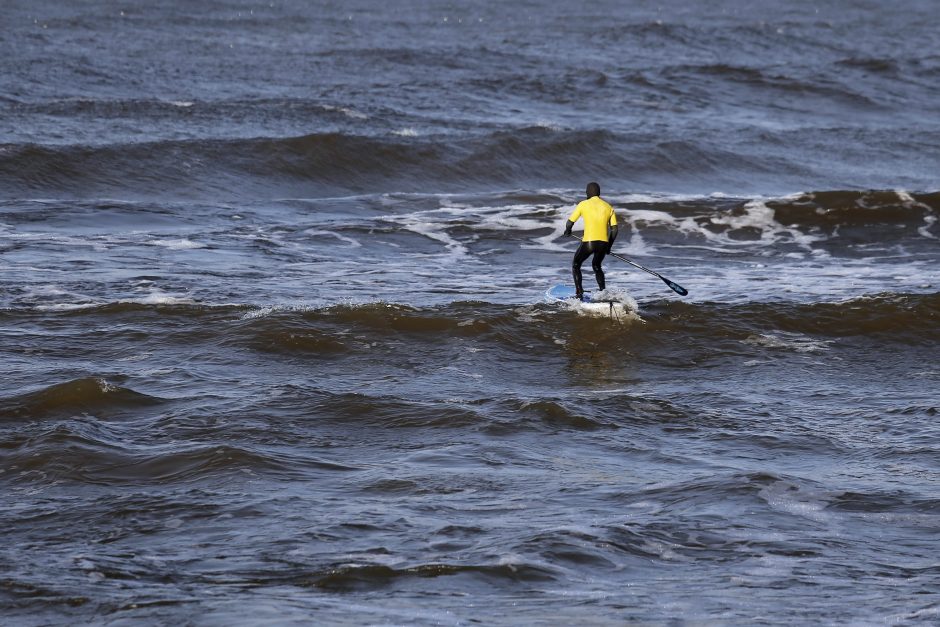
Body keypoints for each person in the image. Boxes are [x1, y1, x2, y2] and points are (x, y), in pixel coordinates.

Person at [563, 182, 618, 300]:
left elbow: (570, 222)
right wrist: (609, 246)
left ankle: (579, 292)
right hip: (603, 243)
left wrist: (568, 230)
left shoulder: (583, 204)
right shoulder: (608, 207)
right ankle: (603, 293)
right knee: (597, 266)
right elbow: (614, 230)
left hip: (589, 242)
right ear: (599, 193)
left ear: (588, 192)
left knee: (576, 264)